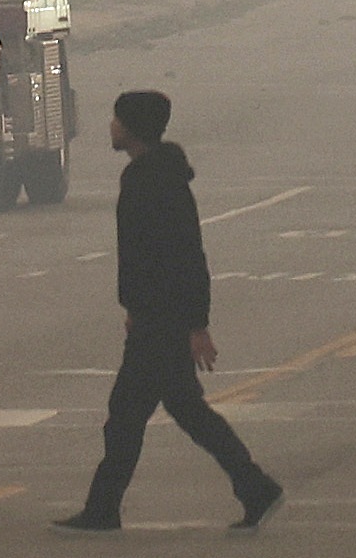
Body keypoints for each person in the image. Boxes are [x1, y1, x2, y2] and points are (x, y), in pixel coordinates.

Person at [62, 91, 283, 534]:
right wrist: (135, 309)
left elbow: (185, 255)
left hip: (162, 323)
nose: (111, 127)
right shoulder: (150, 175)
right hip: (153, 317)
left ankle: (103, 510)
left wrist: (196, 325)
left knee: (129, 415)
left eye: (116, 120)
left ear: (133, 128)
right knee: (180, 411)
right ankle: (253, 486)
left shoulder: (154, 180)